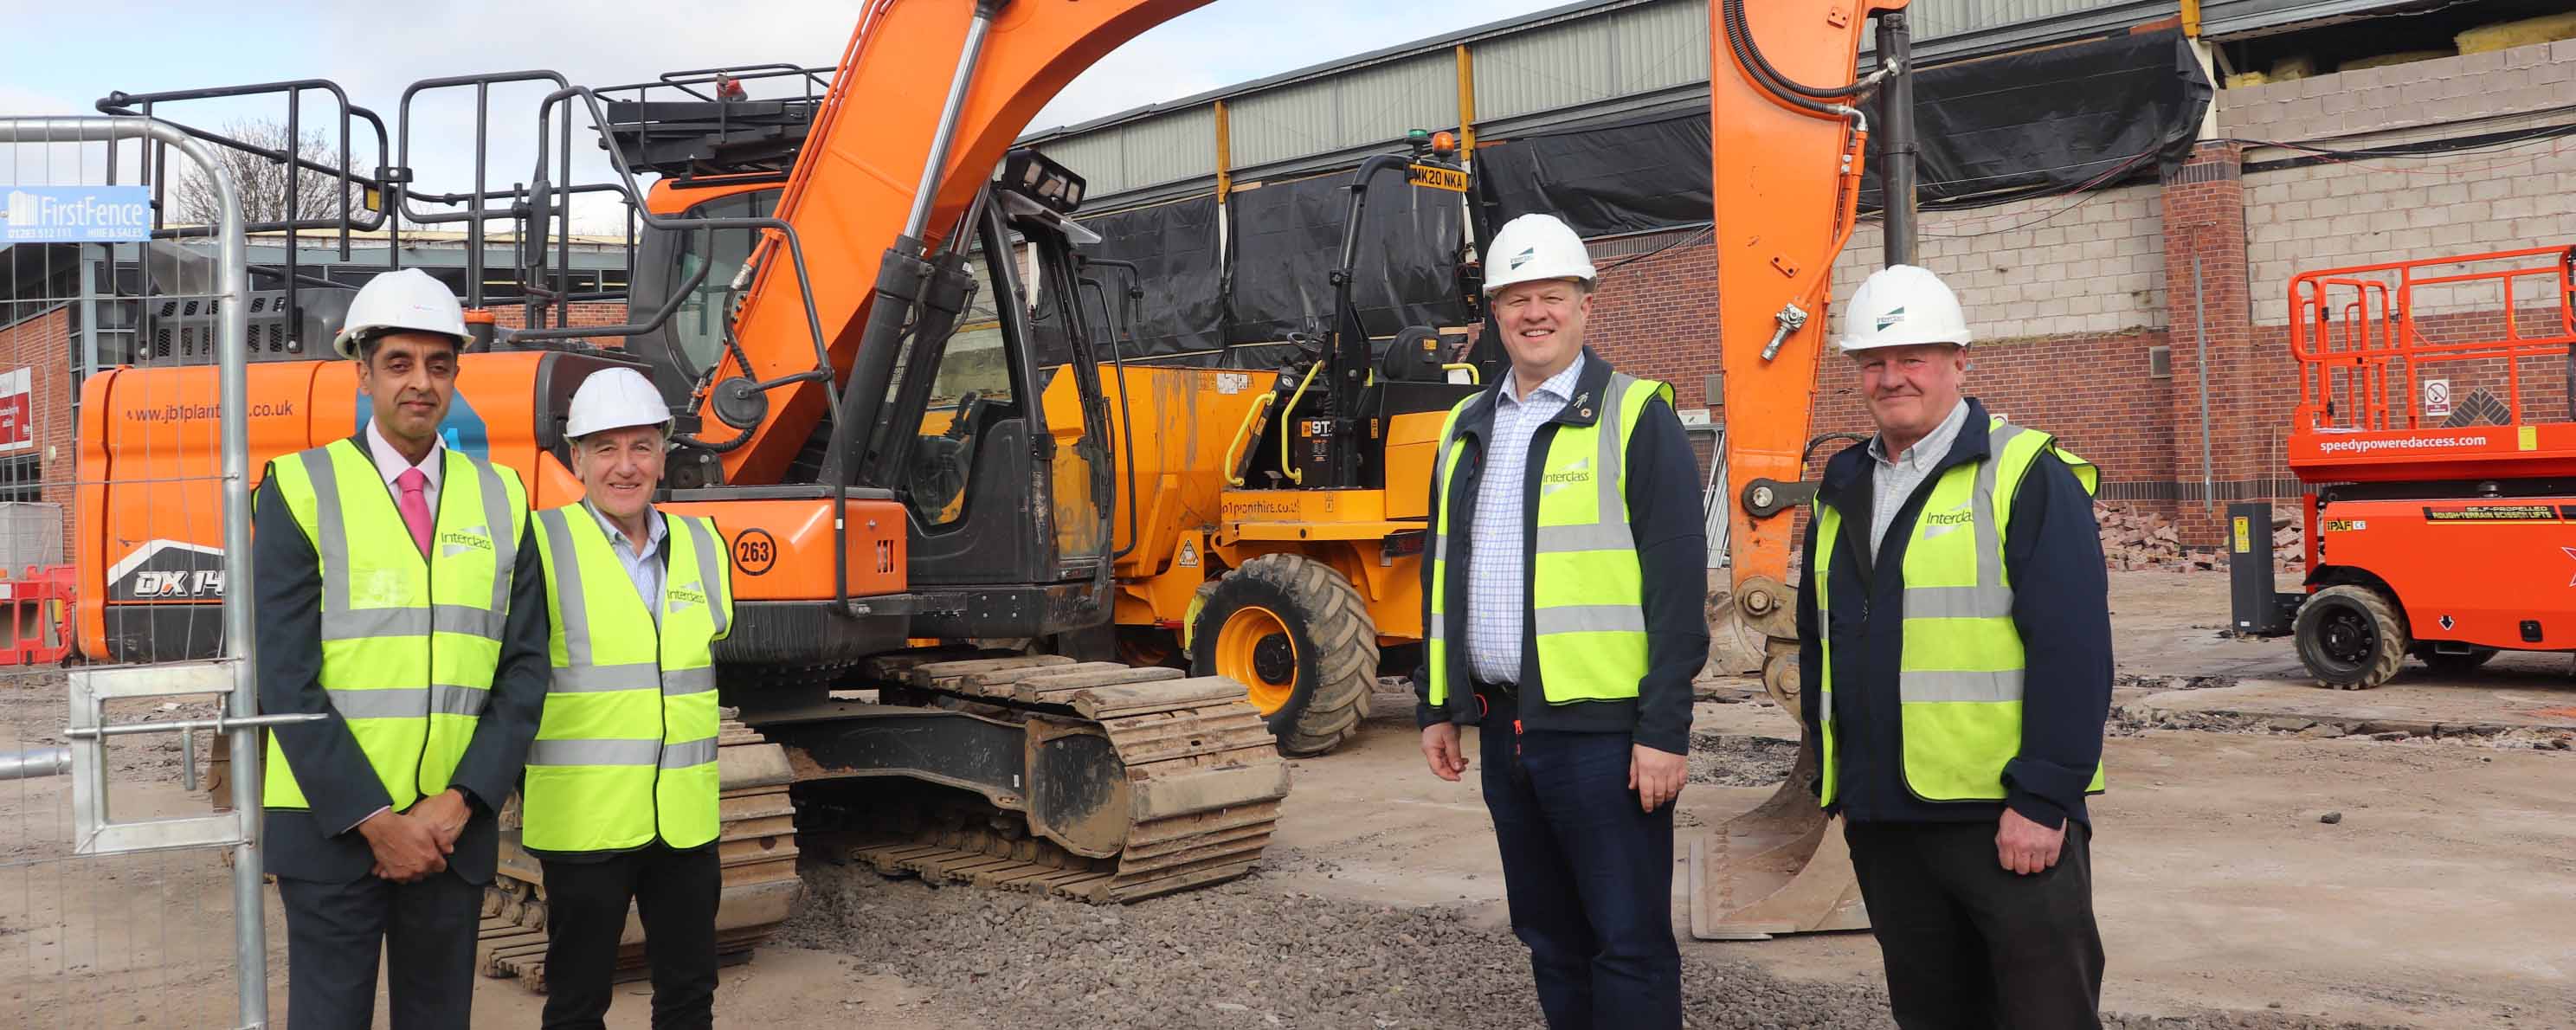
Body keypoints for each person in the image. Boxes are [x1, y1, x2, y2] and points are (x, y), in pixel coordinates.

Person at [1794, 264, 2113, 1029]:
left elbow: (2074, 650)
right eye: (1874, 361)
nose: (1892, 377)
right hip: (1885, 817)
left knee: (2045, 1015)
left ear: (1959, 362)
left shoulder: (2023, 474)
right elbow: (1820, 643)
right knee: (1932, 1013)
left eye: (1915, 358)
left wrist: (2043, 797)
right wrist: (1837, 783)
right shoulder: (1843, 485)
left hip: (2003, 820)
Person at [1414, 212, 1706, 1029]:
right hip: (1509, 730)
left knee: (1628, 940)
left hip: (1608, 741)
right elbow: (1444, 573)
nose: (1533, 313)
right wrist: (1438, 702)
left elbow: (1677, 589)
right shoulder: (1466, 427)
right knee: (1548, 935)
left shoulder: (1634, 415)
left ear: (1585, 306)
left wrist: (1665, 730)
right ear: (1494, 315)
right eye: (1516, 298)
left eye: (1552, 296)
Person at [255, 267, 546, 1029]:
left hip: (451, 830)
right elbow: (285, 675)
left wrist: (458, 803)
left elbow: (523, 670)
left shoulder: (504, 497)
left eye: (439, 364)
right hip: (333, 828)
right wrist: (375, 820)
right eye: (399, 363)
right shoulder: (299, 487)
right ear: (363, 372)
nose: (421, 383)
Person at [521, 366, 735, 1030]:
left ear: (663, 454)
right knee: (578, 1000)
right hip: (586, 823)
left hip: (684, 820)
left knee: (689, 993)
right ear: (576, 458)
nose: (625, 466)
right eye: (606, 448)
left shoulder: (703, 544)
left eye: (641, 446)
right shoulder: (542, 544)